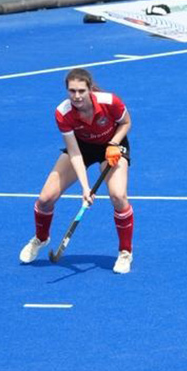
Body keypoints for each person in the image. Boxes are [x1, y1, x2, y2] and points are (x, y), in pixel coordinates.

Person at [18, 67, 135, 274]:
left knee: (118, 196)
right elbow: (74, 153)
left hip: (112, 144)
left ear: (90, 89)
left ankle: (125, 252)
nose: (77, 96)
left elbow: (126, 123)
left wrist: (114, 143)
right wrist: (85, 188)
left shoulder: (110, 101)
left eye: (81, 90)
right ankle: (41, 238)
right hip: (81, 148)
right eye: (72, 91)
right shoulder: (63, 113)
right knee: (45, 198)